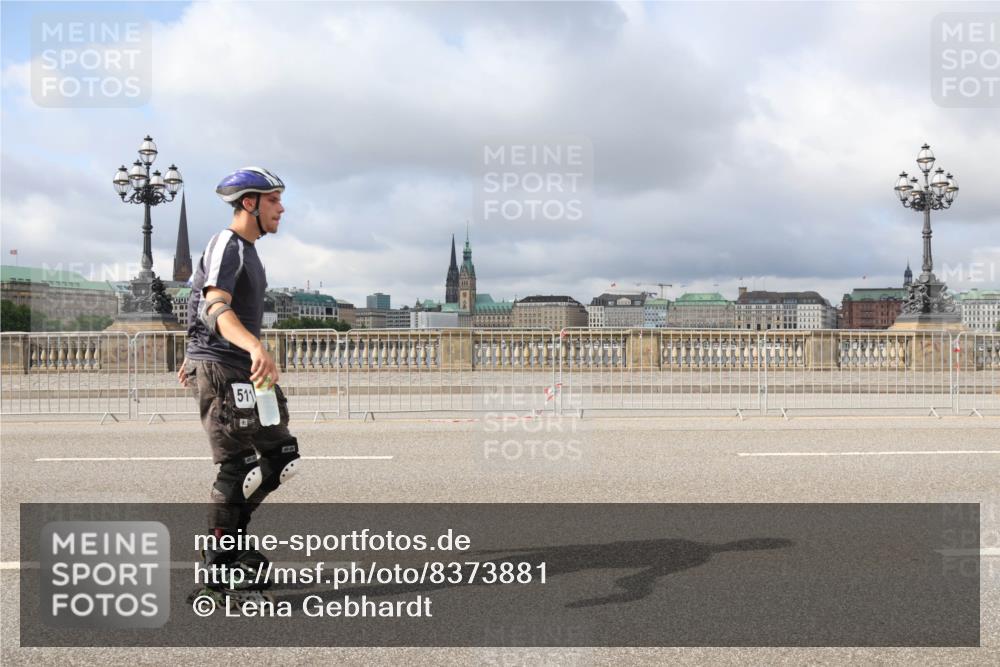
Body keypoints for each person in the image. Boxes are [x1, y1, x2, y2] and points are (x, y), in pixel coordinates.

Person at [177, 167, 300, 597]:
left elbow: (196, 304)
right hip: (229, 366)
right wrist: (254, 348)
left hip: (239, 368)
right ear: (249, 202)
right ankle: (218, 565)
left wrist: (191, 351)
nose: (281, 208)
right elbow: (214, 304)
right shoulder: (228, 244)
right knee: (239, 466)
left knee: (281, 457)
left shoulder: (248, 250)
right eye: (273, 200)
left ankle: (234, 539)